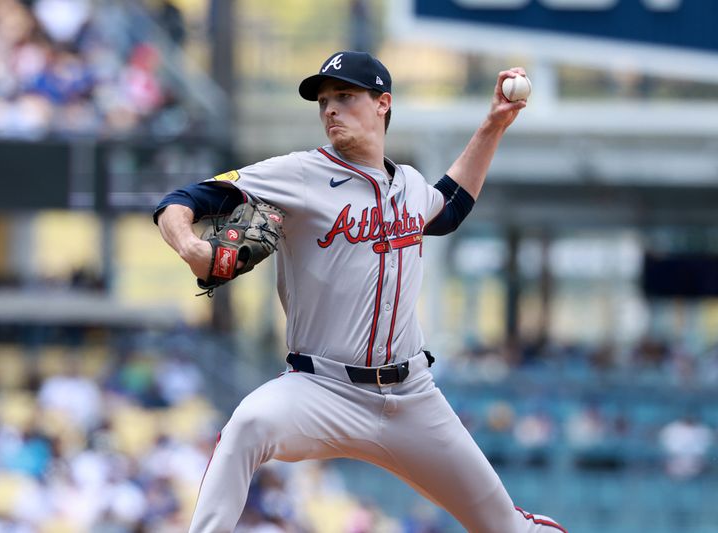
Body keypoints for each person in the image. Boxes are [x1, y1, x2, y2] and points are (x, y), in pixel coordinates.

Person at [154, 51, 566, 532]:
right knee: (246, 427)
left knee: (510, 528)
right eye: (324, 101)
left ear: (382, 104)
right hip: (320, 388)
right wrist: (189, 245)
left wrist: (494, 124)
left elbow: (450, 206)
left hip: (412, 398)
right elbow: (181, 200)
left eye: (345, 97)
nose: (330, 109)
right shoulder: (299, 174)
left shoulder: (409, 184)